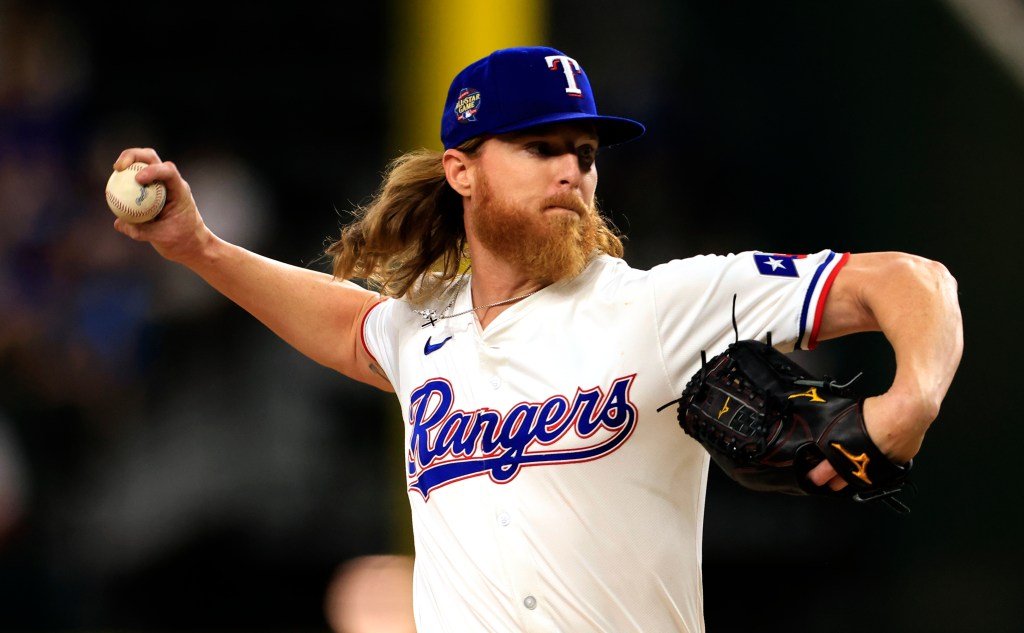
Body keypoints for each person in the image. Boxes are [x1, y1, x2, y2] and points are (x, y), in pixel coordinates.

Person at [110, 46, 963, 633]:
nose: (573, 170)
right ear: (462, 169)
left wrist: (911, 402)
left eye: (585, 151)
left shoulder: (662, 305)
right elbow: (344, 325)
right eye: (540, 146)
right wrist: (198, 247)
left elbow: (912, 280)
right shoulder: (423, 333)